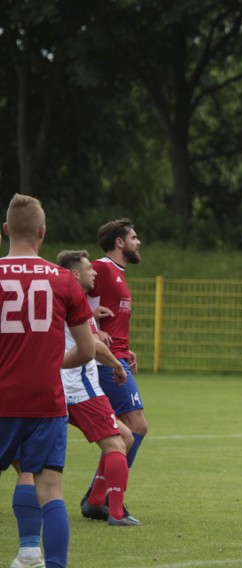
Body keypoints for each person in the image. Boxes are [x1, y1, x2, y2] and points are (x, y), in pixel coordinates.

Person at [1, 194, 97, 568]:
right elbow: (88, 350)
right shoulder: (63, 280)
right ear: (42, 233)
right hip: (45, 402)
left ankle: (28, 552)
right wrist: (51, 364)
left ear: (7, 230)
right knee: (50, 489)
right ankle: (41, 559)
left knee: (26, 476)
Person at [58, 250, 140, 525]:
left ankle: (95, 500)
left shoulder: (68, 300)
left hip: (61, 386)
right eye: (88, 269)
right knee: (118, 442)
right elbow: (91, 347)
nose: (94, 272)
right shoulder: (76, 300)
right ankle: (116, 513)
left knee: (126, 437)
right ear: (75, 274)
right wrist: (117, 366)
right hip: (79, 389)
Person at [82, 218, 146, 519]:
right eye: (134, 237)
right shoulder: (103, 267)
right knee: (136, 427)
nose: (138, 242)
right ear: (119, 242)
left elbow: (107, 315)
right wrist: (91, 325)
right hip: (107, 361)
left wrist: (124, 347)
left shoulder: (117, 273)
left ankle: (98, 497)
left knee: (120, 431)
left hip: (118, 355)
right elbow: (72, 290)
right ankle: (104, 498)